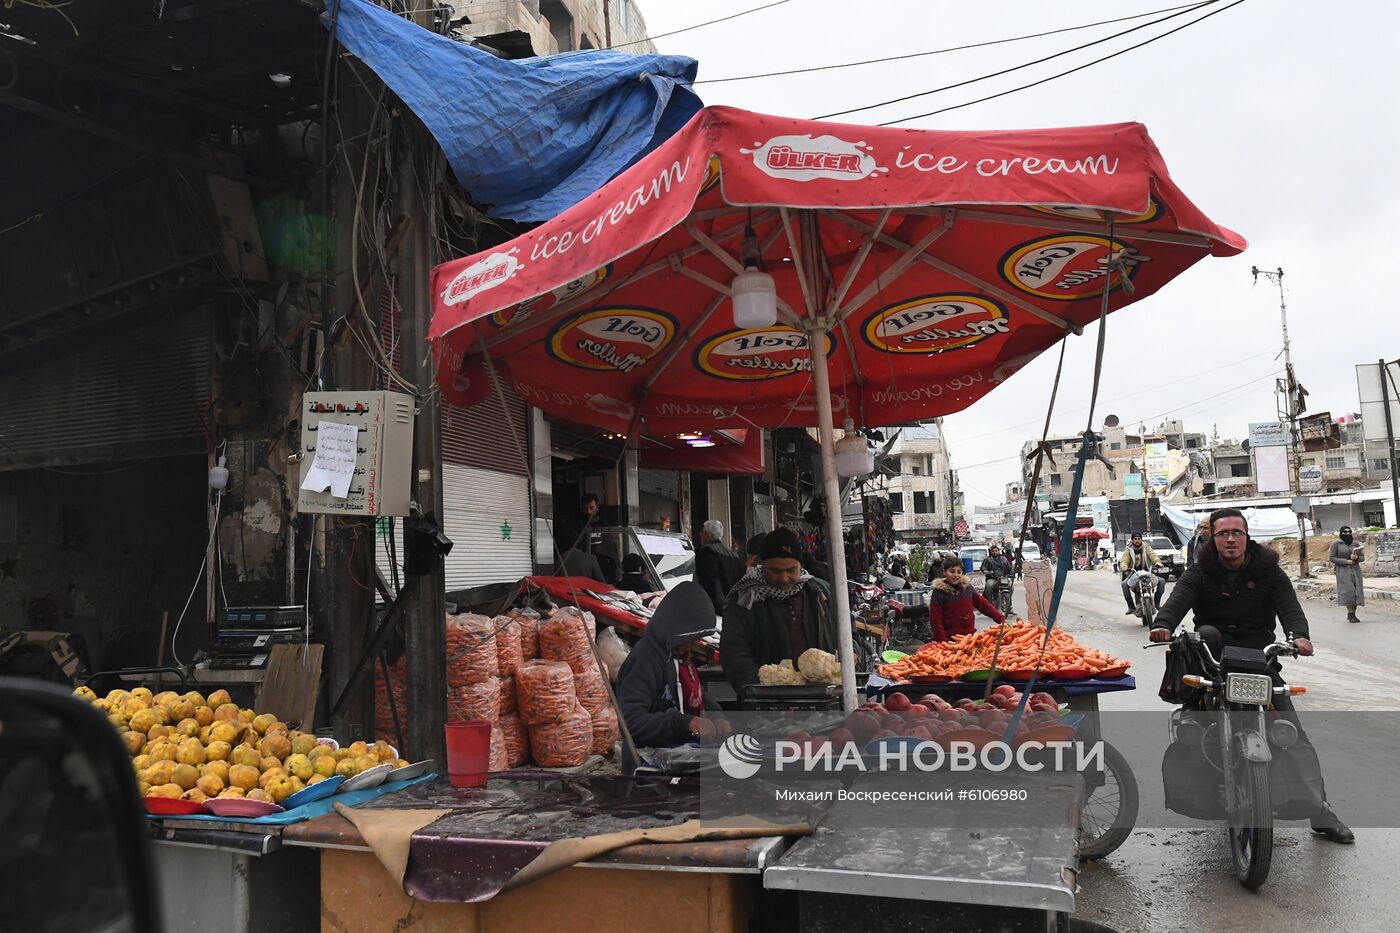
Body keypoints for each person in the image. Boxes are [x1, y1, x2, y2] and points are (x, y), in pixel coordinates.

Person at [1148, 508, 1353, 843]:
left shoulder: (1269, 571)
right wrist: (1162, 624)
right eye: (1222, 533)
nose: (1230, 539)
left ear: (1246, 536)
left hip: (1260, 661)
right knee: (1193, 722)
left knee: (1292, 732)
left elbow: (1289, 608)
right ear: (1212, 538)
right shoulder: (1200, 572)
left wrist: (1299, 636)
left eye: (1236, 533)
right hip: (1212, 661)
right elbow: (1177, 602)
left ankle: (1321, 811)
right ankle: (1197, 789)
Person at [615, 581, 728, 773]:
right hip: (646, 766)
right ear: (677, 628)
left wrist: (715, 714)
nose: (691, 645)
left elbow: (692, 693)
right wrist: (684, 722)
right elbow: (631, 723)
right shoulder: (645, 660)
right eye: (690, 639)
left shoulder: (678, 654)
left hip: (676, 755)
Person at [720, 527, 837, 693]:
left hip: (823, 697)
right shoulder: (745, 598)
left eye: (791, 570)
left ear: (801, 565)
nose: (783, 578)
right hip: (768, 703)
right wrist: (761, 688)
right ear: (763, 565)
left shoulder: (821, 591)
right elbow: (734, 655)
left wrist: (852, 652)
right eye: (775, 571)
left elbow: (847, 631)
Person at [927, 556, 1005, 642]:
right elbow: (935, 621)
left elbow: (984, 605)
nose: (955, 575)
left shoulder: (967, 588)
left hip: (970, 638)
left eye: (959, 572)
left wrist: (1001, 619)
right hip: (950, 640)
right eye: (952, 571)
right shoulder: (939, 593)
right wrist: (943, 642)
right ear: (944, 572)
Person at [695, 519, 744, 614]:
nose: (701, 536)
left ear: (706, 534)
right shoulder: (733, 555)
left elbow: (709, 583)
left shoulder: (707, 552)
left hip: (716, 609)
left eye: (701, 533)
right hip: (734, 607)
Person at [1120, 532, 1163, 614]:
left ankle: (1157, 603)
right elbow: (1124, 559)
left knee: (1162, 582)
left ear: (1141, 540)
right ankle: (1131, 607)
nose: (1137, 541)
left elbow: (1153, 555)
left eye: (1139, 539)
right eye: (1135, 539)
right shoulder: (1128, 549)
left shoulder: (1147, 547)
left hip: (1146, 573)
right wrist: (1124, 567)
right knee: (1124, 584)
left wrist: (1157, 562)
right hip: (1133, 573)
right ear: (1132, 540)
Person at [1329, 526, 1365, 623]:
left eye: (1349, 532)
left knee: (1356, 591)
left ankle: (1353, 614)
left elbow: (1362, 557)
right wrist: (1346, 561)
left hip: (1355, 570)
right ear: (1341, 533)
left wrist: (1356, 558)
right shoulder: (1336, 544)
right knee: (1349, 591)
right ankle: (1350, 613)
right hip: (1342, 570)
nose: (1347, 533)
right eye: (1345, 532)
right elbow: (1332, 558)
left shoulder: (1355, 544)